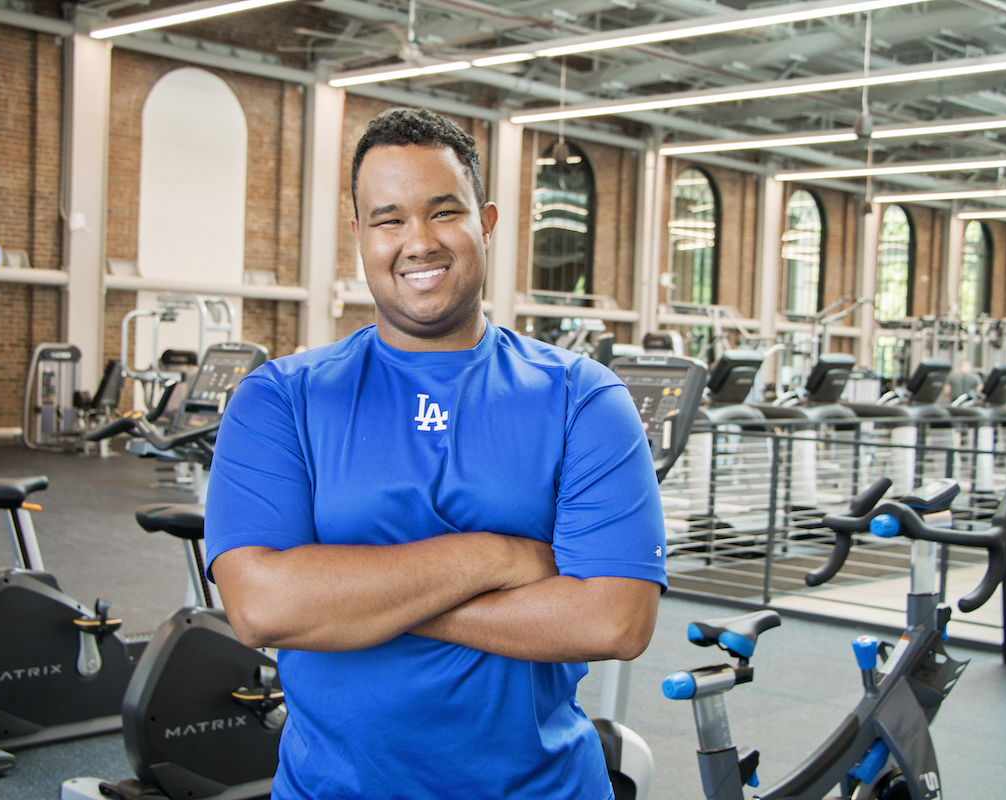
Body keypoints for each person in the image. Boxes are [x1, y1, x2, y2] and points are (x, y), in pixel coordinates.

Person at [205, 107, 666, 800]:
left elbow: (614, 618)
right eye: (388, 219)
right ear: (360, 236)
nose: (417, 241)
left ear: (485, 220)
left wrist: (352, 604)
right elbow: (262, 608)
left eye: (442, 212)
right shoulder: (281, 399)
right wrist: (496, 559)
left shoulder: (582, 398)